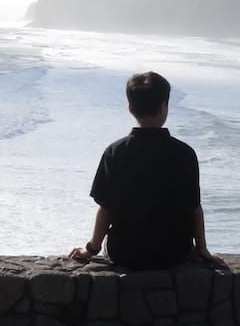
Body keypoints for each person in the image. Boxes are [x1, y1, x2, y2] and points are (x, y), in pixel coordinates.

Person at [68, 71, 223, 269]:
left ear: (131, 108)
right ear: (164, 107)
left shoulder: (115, 152)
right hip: (174, 252)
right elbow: (194, 207)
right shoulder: (184, 153)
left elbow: (105, 207)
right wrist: (201, 248)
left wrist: (90, 249)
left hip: (124, 252)